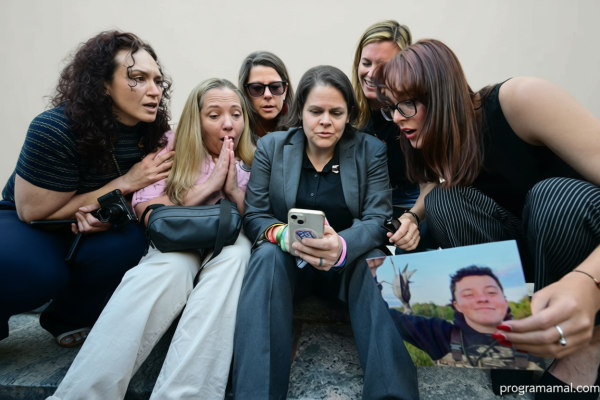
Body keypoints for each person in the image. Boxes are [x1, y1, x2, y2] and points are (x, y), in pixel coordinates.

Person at [377, 39, 600, 398]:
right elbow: (434, 187)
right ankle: (507, 339)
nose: (398, 118)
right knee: (445, 202)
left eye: (406, 103)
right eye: (391, 108)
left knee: (552, 198)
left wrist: (588, 280)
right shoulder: (437, 139)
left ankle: (589, 343)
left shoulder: (522, 100)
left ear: (441, 92)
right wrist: (413, 218)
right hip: (530, 248)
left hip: (581, 240)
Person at [47, 78, 254, 400]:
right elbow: (146, 209)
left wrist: (234, 191)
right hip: (176, 238)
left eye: (236, 114)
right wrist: (208, 186)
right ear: (196, 120)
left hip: (230, 238)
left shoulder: (255, 159)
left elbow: (258, 220)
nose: (228, 124)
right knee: (165, 271)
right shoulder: (172, 147)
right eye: (214, 115)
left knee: (236, 259)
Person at [232, 65, 419, 400]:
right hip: (289, 265)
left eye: (336, 113)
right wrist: (283, 236)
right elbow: (256, 214)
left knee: (377, 262)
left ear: (349, 114)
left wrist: (342, 246)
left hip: (348, 267)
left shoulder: (370, 150)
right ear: (300, 110)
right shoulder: (272, 147)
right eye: (315, 111)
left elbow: (377, 218)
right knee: (265, 257)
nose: (325, 122)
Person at [0, 31, 174, 347]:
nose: (154, 91)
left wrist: (109, 213)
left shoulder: (153, 134)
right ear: (103, 84)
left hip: (92, 221)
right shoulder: (54, 128)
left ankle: (68, 316)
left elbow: (149, 196)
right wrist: (125, 183)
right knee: (34, 271)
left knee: (131, 243)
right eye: (138, 78)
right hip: (25, 220)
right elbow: (33, 212)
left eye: (158, 81)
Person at [385, 265, 544, 370]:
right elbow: (388, 316)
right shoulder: (440, 334)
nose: (482, 299)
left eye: (491, 292)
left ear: (505, 300)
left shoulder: (535, 337)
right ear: (457, 305)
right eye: (468, 294)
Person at [238, 51, 294, 144]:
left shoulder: (303, 131)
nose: (267, 95)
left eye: (275, 87)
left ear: (285, 90)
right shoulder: (235, 132)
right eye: (257, 88)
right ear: (246, 92)